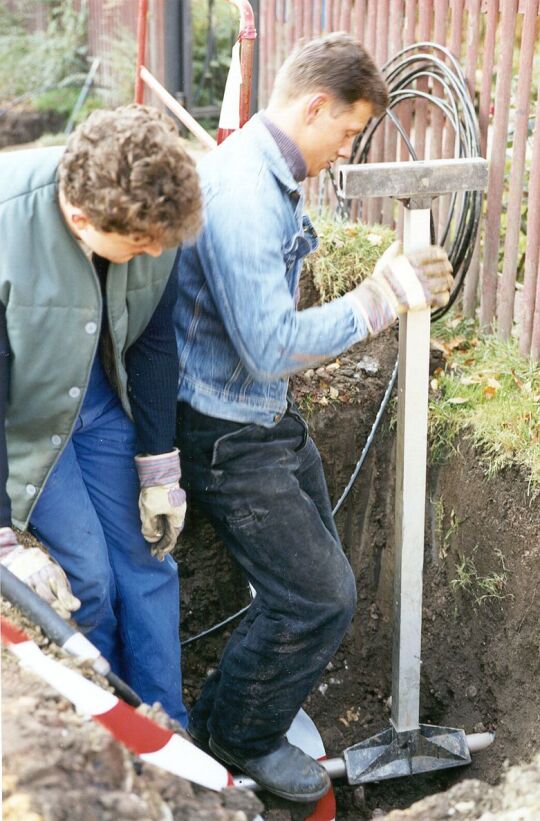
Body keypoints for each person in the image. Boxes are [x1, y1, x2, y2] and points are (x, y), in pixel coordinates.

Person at [174, 32, 454, 801]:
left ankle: (257, 697)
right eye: (349, 130)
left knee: (321, 583)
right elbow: (267, 346)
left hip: (265, 415)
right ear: (314, 105)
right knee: (319, 596)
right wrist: (377, 300)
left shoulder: (270, 174)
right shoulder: (245, 197)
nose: (347, 148)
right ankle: (234, 736)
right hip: (229, 430)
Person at [0, 105, 202, 726]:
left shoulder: (155, 216)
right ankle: (111, 730)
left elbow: (152, 339)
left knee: (148, 560)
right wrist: (4, 539)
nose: (154, 252)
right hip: (27, 420)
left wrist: (159, 466)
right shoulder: (7, 228)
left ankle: (172, 733)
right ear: (82, 220)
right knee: (86, 581)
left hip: (99, 395)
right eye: (139, 246)